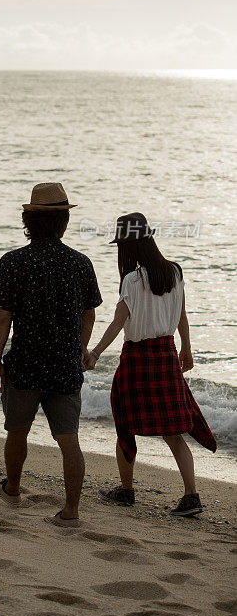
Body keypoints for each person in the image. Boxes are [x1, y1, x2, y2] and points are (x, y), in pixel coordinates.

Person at [0, 182, 102, 527]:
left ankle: (14, 489)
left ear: (28, 221)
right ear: (64, 222)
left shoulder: (13, 261)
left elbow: (4, 314)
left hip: (24, 362)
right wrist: (81, 348)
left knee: (17, 431)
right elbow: (90, 312)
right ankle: (71, 512)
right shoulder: (80, 263)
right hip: (65, 366)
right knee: (69, 440)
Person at [86, 212, 216, 517]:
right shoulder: (175, 272)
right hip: (166, 355)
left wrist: (95, 353)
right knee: (174, 429)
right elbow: (182, 315)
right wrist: (187, 348)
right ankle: (191, 496)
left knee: (125, 423)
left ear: (127, 246)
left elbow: (118, 323)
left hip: (136, 360)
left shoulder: (131, 279)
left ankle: (127, 491)